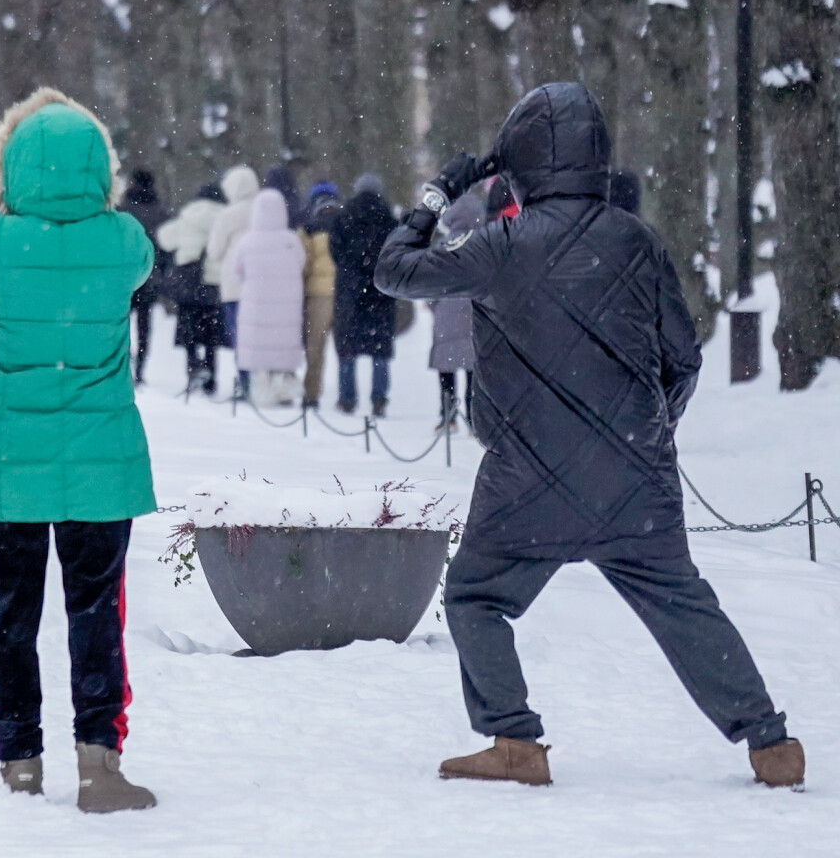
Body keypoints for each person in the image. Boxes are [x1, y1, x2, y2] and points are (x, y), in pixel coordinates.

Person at [378, 83, 803, 790]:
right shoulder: (639, 242)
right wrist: (646, 430)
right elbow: (684, 357)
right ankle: (770, 743)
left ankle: (514, 741)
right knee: (682, 605)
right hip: (635, 481)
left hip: (527, 482)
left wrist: (439, 193)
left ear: (517, 165)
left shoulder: (499, 245)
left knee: (477, 598)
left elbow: (393, 270)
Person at [0, 89, 158, 813]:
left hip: (9, 466)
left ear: (10, 169)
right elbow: (139, 270)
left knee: (9, 616)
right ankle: (100, 762)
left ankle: (20, 762)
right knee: (97, 616)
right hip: (100, 462)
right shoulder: (123, 240)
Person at [328, 174, 397, 415]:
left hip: (350, 291)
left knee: (347, 347)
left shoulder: (344, 216)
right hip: (381, 289)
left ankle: (347, 398)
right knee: (380, 349)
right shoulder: (388, 218)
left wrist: (350, 271)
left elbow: (334, 250)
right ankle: (379, 399)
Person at [229, 188, 305, 406]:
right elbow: (301, 264)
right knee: (281, 349)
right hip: (286, 309)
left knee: (258, 354)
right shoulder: (290, 240)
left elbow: (237, 271)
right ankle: (282, 389)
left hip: (256, 308)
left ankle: (260, 393)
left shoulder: (247, 241)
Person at [426, 180, 488, 434]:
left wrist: (436, 308)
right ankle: (474, 419)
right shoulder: (486, 245)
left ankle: (448, 416)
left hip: (446, 317)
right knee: (474, 372)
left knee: (447, 370)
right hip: (477, 316)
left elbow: (429, 287)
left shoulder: (442, 248)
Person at [156, 182, 226, 394]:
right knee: (212, 334)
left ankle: (193, 367)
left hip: (189, 283)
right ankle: (211, 378)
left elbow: (165, 239)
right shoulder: (224, 216)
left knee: (189, 330)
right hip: (214, 283)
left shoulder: (188, 216)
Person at [203, 165, 261, 399]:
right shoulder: (263, 210)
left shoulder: (228, 215)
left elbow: (214, 251)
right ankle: (262, 381)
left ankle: (246, 383)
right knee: (260, 335)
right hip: (259, 284)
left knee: (239, 336)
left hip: (234, 284)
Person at [118, 169, 167, 386]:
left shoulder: (122, 210)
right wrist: (162, 273)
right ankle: (141, 368)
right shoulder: (160, 211)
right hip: (151, 276)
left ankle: (124, 364)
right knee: (145, 326)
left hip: (124, 276)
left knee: (122, 322)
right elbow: (165, 249)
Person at [298, 181, 341, 408]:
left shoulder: (309, 226)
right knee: (345, 349)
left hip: (317, 294)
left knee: (315, 348)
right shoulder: (345, 222)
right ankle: (347, 396)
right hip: (342, 293)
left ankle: (311, 394)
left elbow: (303, 263)